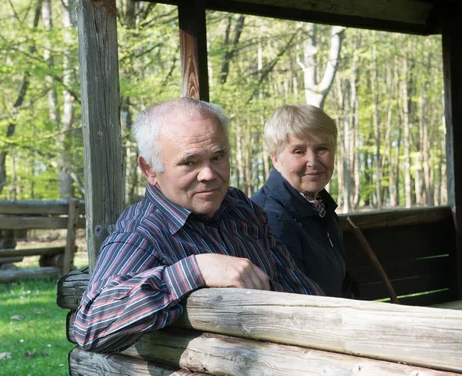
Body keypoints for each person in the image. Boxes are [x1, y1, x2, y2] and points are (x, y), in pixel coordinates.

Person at [73, 98, 324, 353]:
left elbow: (295, 284)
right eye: (189, 162)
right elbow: (90, 328)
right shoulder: (142, 234)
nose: (209, 175)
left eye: (217, 157)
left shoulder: (239, 207)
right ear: (149, 169)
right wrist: (194, 270)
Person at [252, 104, 356, 298]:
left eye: (322, 148)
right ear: (275, 158)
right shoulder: (270, 218)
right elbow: (294, 301)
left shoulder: (320, 207)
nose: (313, 161)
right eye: (299, 151)